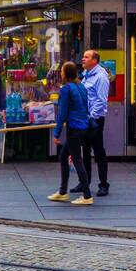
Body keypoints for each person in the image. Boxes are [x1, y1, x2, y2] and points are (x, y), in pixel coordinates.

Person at [47, 61, 92, 205]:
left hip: (74, 128)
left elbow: (62, 113)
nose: (60, 73)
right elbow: (86, 107)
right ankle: (62, 192)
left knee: (77, 160)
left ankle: (86, 195)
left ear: (66, 74)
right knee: (63, 156)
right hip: (84, 126)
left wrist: (56, 133)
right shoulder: (82, 86)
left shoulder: (66, 89)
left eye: (62, 71)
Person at [77, 50, 110, 197]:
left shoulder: (101, 77)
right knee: (85, 151)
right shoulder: (86, 75)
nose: (83, 59)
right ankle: (85, 182)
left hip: (94, 119)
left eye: (86, 57)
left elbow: (102, 101)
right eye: (83, 56)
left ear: (95, 61)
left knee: (98, 151)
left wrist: (92, 117)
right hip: (85, 118)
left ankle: (103, 184)